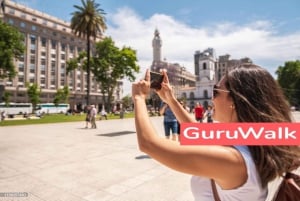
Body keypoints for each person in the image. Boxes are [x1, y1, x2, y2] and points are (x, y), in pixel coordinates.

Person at [132, 65, 300, 201]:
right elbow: (198, 133)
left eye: (216, 92)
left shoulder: (234, 160)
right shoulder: (257, 137)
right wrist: (170, 99)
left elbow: (149, 144)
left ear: (235, 101)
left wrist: (139, 98)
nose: (212, 98)